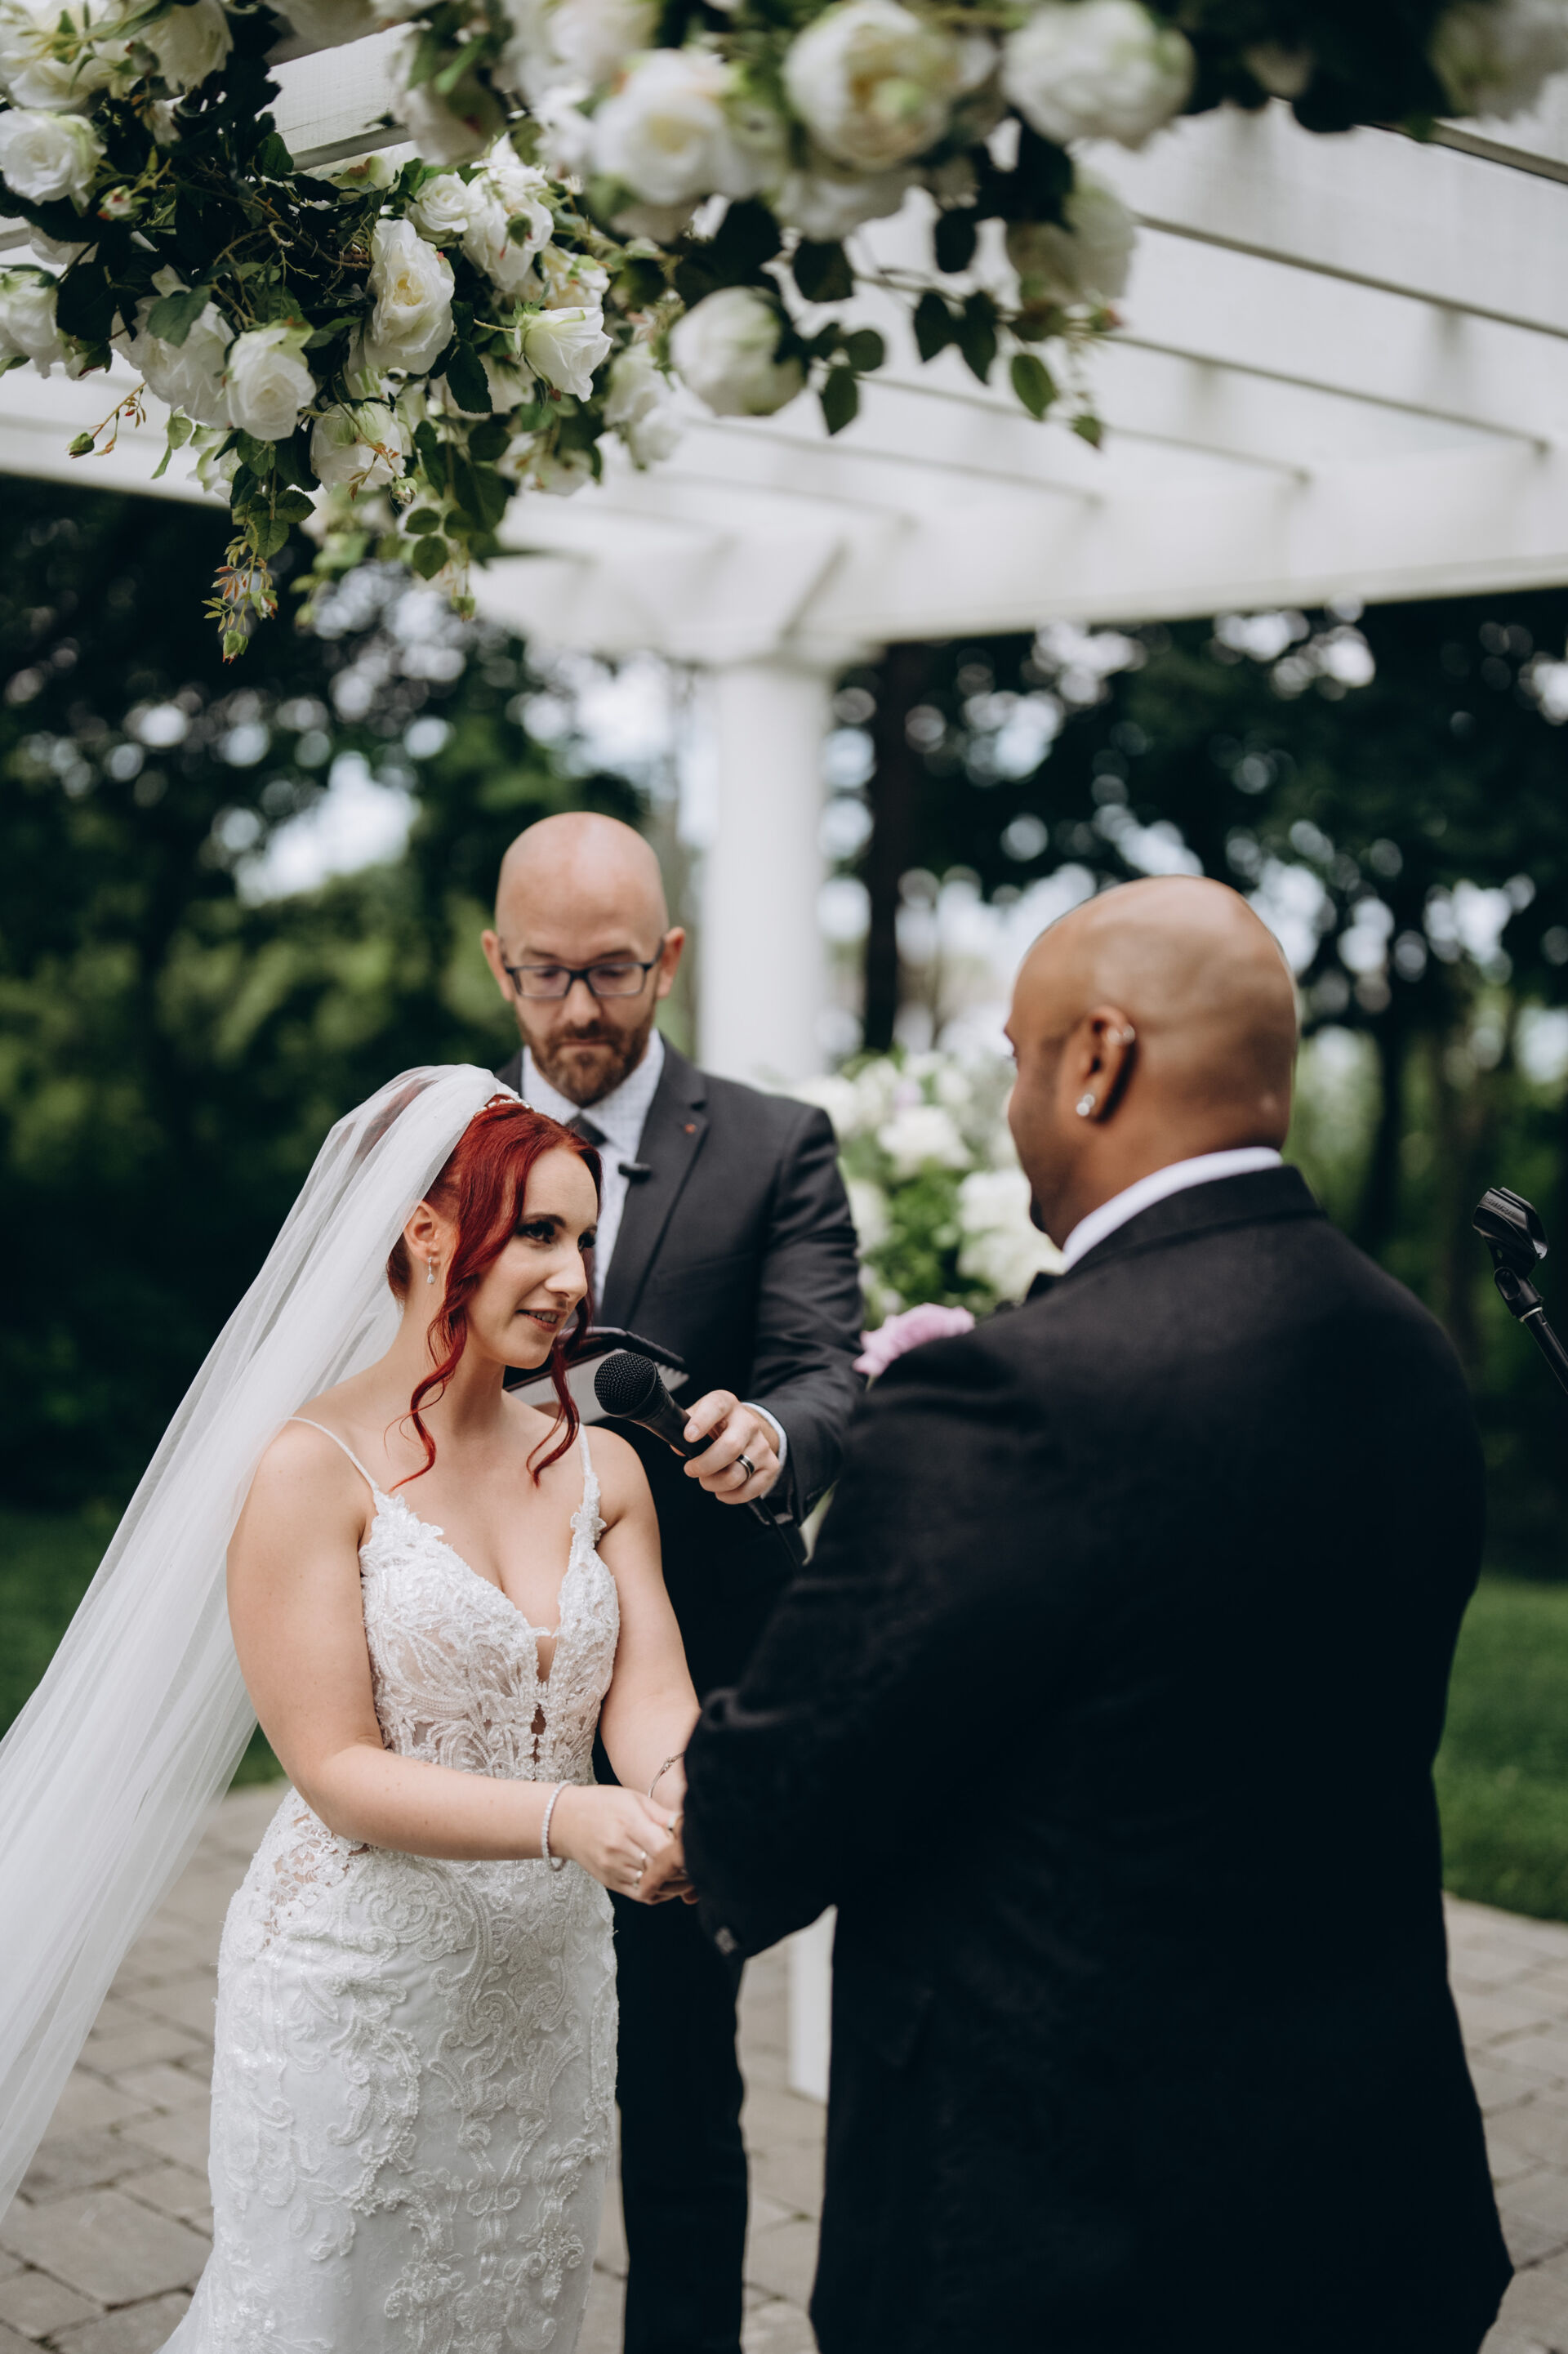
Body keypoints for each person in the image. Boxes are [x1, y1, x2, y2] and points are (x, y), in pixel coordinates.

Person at [681, 876, 1513, 2354]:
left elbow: (773, 1812)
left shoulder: (1007, 1396)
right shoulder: (1409, 1350)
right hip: (1373, 2198)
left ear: (1099, 1059)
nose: (1012, 1100)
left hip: (1070, 2238)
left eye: (1017, 1056)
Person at [0, 1070, 700, 2354]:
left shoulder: (604, 1464)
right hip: (360, 1984)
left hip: (546, 1989)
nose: (572, 1277)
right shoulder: (306, 1470)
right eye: (539, 1233)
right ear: (429, 1233)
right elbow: (333, 1769)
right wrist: (571, 1818)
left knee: (513, 2306)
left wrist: (682, 1796)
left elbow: (650, 1694)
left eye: (584, 1239)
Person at [480, 812, 863, 2354]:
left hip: (686, 1685)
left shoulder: (774, 1142)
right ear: (497, 963)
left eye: (616, 972)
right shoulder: (427, 1141)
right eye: (548, 974)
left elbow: (826, 1368)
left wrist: (772, 1436)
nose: (581, 1009)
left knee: (681, 2089)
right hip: (468, 1682)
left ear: (672, 958)